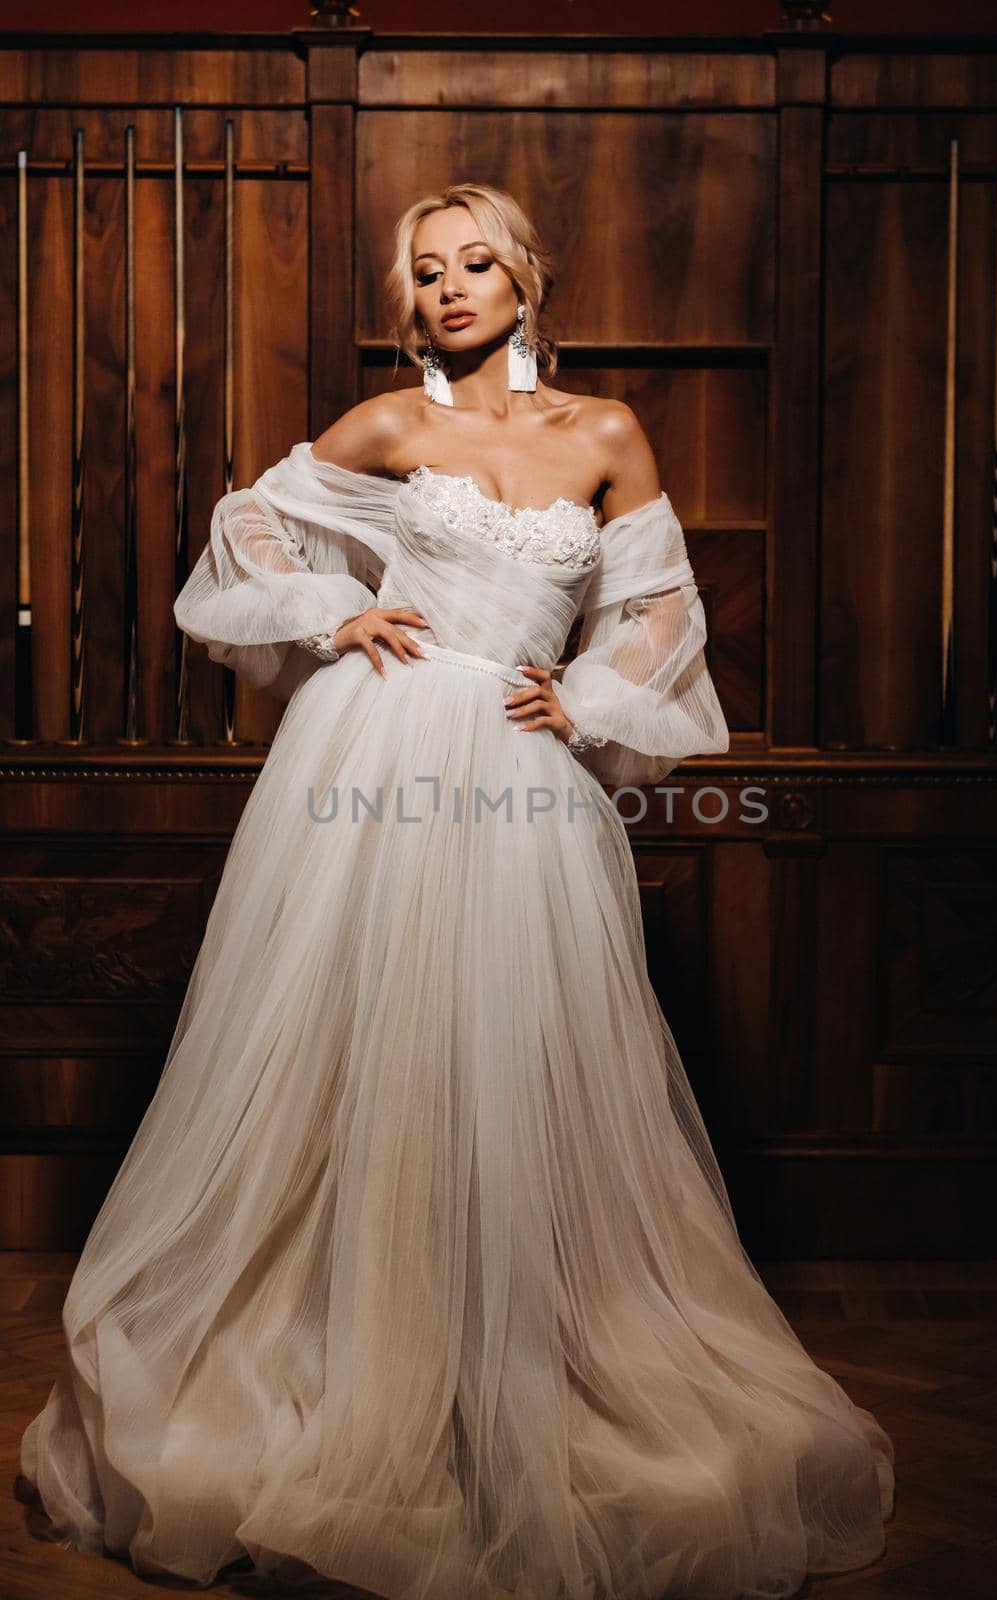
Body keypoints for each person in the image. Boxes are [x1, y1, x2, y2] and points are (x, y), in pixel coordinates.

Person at [17, 182, 894, 1600]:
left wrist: (597, 688)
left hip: (520, 775)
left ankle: (507, 1393)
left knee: (510, 1055)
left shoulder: (602, 433)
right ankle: (367, 1376)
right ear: (407, 299)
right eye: (425, 272)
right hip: (371, 756)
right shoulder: (388, 426)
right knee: (357, 1053)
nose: (448, 289)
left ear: (528, 279)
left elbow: (665, 606)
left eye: (475, 263)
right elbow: (250, 530)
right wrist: (333, 611)